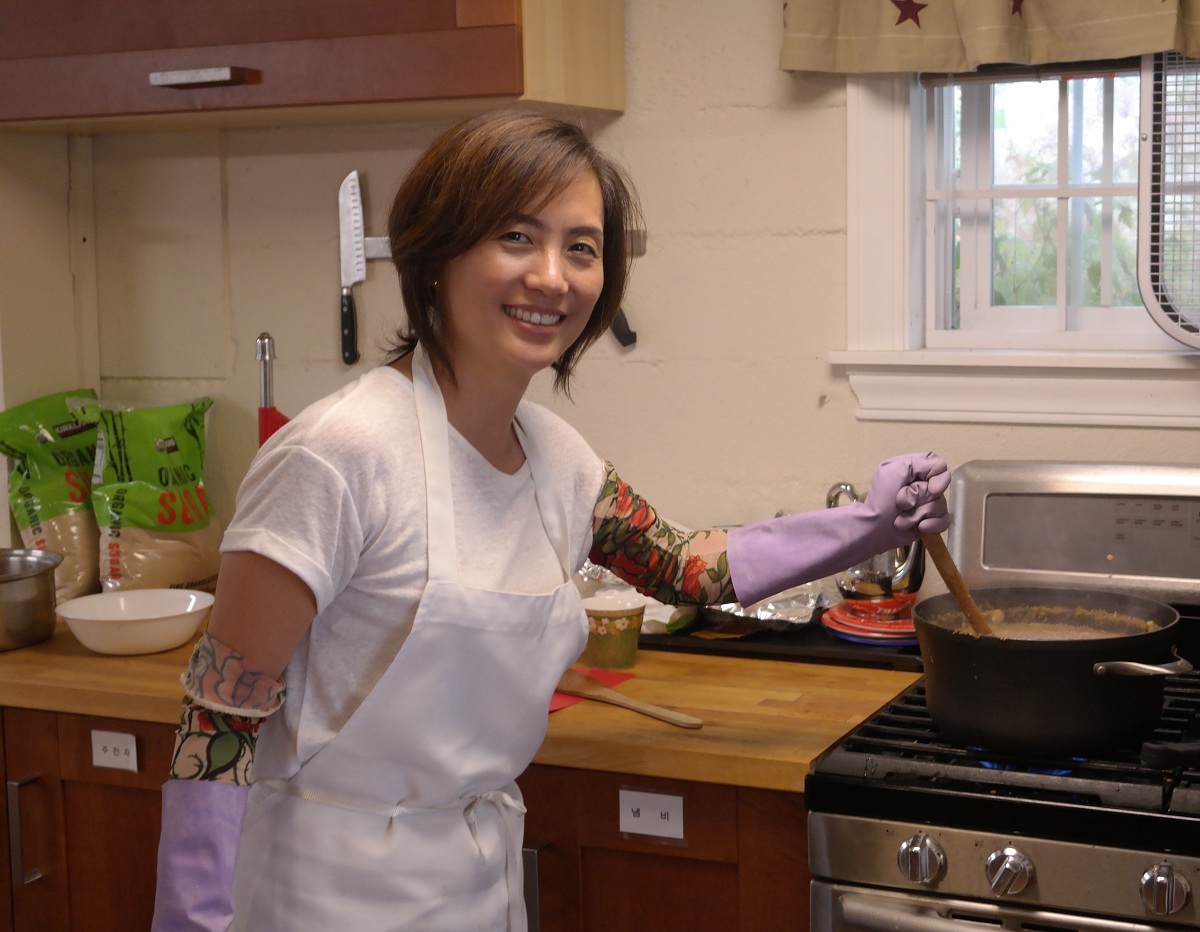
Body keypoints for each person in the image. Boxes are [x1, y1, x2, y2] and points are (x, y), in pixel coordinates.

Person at [151, 108, 951, 931]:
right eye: (516, 237)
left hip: (475, 881)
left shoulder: (557, 458)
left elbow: (686, 567)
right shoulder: (337, 455)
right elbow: (220, 715)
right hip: (319, 890)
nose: (553, 277)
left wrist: (871, 523)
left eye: (581, 247)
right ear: (438, 254)